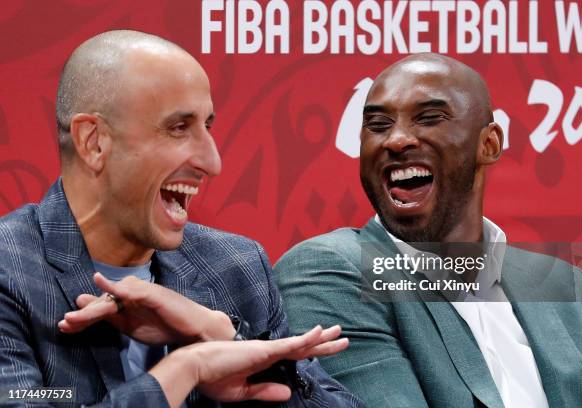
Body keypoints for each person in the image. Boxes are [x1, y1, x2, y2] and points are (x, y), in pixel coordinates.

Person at [0, 30, 363, 408]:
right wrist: (185, 369)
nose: (212, 163)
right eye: (178, 128)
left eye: (207, 126)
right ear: (94, 142)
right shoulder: (10, 272)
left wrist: (221, 337)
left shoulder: (235, 266)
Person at [274, 53, 582, 407]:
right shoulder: (328, 272)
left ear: (489, 144)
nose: (396, 139)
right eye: (377, 124)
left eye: (429, 118)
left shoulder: (567, 288)